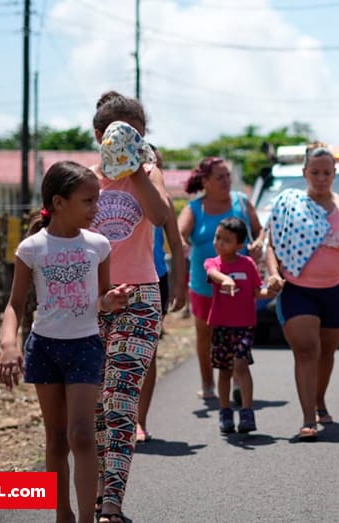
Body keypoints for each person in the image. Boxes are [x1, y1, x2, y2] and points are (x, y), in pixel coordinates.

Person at [0, 161, 132, 523]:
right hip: (44, 348)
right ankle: (63, 514)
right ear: (58, 202)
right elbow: (14, 304)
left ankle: (87, 518)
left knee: (82, 435)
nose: (96, 208)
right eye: (88, 201)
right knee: (56, 438)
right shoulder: (31, 248)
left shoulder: (99, 245)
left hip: (85, 346)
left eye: (96, 200)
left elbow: (101, 299)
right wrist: (9, 345)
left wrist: (110, 301)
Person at [88, 91, 172, 523]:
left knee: (120, 402)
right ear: (98, 136)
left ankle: (111, 502)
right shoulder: (84, 180)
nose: (125, 143)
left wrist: (136, 168)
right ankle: (96, 489)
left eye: (135, 135)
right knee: (92, 407)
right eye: (117, 135)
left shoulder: (149, 172)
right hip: (88, 300)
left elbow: (160, 215)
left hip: (139, 297)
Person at [265, 142, 339, 441]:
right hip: (298, 290)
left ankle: (319, 398)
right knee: (307, 350)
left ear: (334, 173)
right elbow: (272, 244)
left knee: (326, 352)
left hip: (336, 291)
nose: (321, 178)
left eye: (326, 173)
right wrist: (274, 274)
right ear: (305, 173)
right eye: (315, 172)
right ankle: (308, 418)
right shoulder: (289, 205)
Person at [178, 157, 263, 401]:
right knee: (206, 335)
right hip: (205, 286)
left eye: (228, 176)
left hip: (238, 286)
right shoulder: (195, 208)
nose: (226, 181)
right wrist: (181, 244)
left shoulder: (241, 202)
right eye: (220, 177)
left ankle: (237, 379)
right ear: (205, 181)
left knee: (237, 333)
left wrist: (258, 243)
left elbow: (258, 230)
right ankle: (208, 384)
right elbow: (179, 233)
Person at [205, 216, 278, 434]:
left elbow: (257, 291)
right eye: (218, 237)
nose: (219, 243)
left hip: (244, 325)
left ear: (239, 245)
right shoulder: (213, 263)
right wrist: (225, 280)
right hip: (221, 325)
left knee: (241, 365)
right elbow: (212, 273)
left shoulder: (247, 264)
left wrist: (271, 291)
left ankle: (247, 411)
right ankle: (225, 411)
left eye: (226, 240)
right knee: (224, 370)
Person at [137, 145, 188, 444]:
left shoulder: (163, 200)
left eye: (154, 163)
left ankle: (139, 421)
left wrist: (180, 285)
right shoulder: (107, 193)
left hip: (155, 278)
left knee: (148, 354)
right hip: (114, 280)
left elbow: (176, 244)